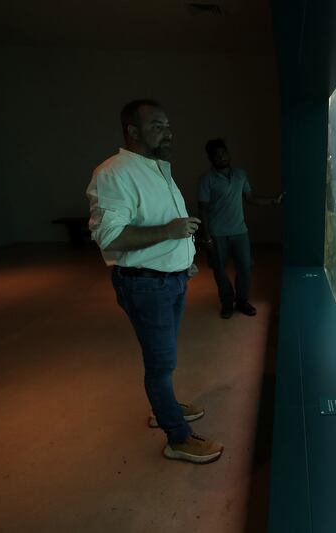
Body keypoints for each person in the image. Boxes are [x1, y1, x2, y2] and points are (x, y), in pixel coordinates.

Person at [86, 99, 223, 464]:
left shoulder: (156, 167)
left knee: (165, 359)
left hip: (170, 281)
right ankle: (176, 437)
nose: (169, 132)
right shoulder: (114, 173)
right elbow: (109, 236)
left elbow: (170, 225)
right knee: (160, 364)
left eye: (168, 125)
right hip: (145, 286)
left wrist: (185, 260)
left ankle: (166, 405)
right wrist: (170, 232)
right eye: (158, 126)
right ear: (132, 131)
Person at [198, 139, 283, 319]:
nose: (222, 157)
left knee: (245, 267)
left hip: (239, 231)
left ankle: (242, 301)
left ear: (228, 153)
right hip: (217, 233)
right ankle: (227, 303)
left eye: (224, 153)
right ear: (210, 158)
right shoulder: (207, 180)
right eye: (217, 155)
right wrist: (206, 237)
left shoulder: (240, 174)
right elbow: (202, 210)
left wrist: (272, 200)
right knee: (220, 270)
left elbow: (250, 199)